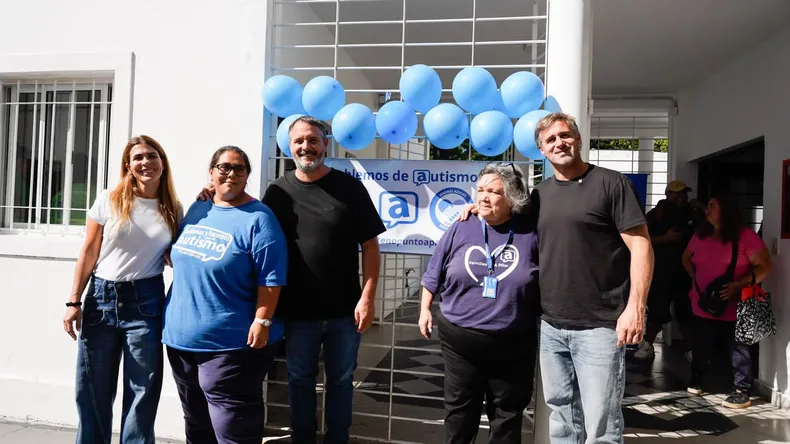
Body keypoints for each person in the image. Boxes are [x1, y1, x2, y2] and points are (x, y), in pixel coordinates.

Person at [261, 116, 386, 444]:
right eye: (299, 141)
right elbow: (252, 228)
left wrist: (368, 297)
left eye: (312, 140)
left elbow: (371, 246)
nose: (306, 146)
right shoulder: (276, 191)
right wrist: (210, 195)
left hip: (345, 310)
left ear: (325, 144)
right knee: (299, 380)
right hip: (297, 312)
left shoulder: (349, 188)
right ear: (290, 147)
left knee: (341, 382)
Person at [532, 113, 653, 444]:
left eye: (565, 135)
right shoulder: (538, 195)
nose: (559, 142)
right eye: (550, 140)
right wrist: (473, 212)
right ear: (541, 150)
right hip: (550, 326)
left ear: (579, 139)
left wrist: (635, 307)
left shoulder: (612, 184)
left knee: (602, 426)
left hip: (601, 327)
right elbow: (503, 221)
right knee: (561, 419)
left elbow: (642, 248)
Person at [163, 146, 288, 443]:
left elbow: (271, 278)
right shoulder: (199, 208)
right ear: (211, 173)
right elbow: (179, 254)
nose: (231, 173)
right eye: (223, 167)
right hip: (180, 339)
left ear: (247, 176)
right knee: (195, 422)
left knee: (233, 426)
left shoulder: (259, 218)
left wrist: (262, 320)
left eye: (239, 169)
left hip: (232, 343)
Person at [63, 135, 181, 444]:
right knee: (92, 388)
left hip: (146, 303)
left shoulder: (173, 208)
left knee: (143, 390)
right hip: (101, 300)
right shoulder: (109, 199)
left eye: (152, 156)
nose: (146, 162)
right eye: (139, 157)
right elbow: (89, 251)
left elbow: (179, 251)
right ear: (128, 165)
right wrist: (73, 301)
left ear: (162, 161)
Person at [419, 162, 540, 444]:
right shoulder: (461, 226)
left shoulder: (531, 231)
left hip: (513, 342)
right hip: (460, 340)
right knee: (460, 413)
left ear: (512, 197)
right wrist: (424, 308)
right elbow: (434, 270)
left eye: (494, 192)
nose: (484, 197)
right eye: (480, 190)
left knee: (507, 417)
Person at [682, 191, 772, 409]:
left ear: (725, 209)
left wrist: (739, 284)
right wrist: (696, 280)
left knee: (738, 348)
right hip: (703, 304)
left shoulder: (746, 237)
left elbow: (765, 266)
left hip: (735, 306)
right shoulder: (700, 234)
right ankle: (697, 378)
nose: (707, 209)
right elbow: (686, 256)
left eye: (712, 205)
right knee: (701, 346)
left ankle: (741, 391)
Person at [634, 181, 695, 360]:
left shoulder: (691, 212)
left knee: (686, 311)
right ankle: (646, 345)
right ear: (668, 193)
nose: (682, 197)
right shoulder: (656, 214)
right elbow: (642, 239)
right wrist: (665, 239)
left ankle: (692, 349)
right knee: (657, 310)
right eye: (677, 193)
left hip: (684, 272)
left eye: (684, 193)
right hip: (660, 271)